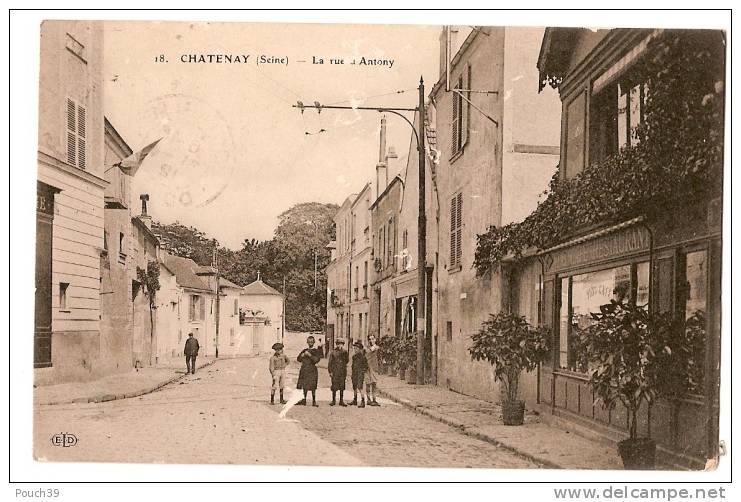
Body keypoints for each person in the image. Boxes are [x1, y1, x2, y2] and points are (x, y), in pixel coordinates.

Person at [296, 335, 322, 406]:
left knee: (313, 385)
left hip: (312, 370)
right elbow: (298, 359)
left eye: (311, 342)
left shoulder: (316, 351)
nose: (310, 343)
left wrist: (310, 355)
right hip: (304, 369)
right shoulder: (304, 350)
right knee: (304, 385)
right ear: (307, 342)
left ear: (314, 342)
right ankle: (303, 400)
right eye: (309, 342)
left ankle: (314, 401)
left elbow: (316, 360)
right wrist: (302, 355)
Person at [327, 338, 349, 406]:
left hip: (342, 372)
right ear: (336, 344)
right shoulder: (333, 352)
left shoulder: (345, 352)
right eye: (338, 344)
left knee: (342, 386)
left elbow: (347, 361)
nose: (340, 345)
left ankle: (341, 400)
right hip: (335, 371)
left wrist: (344, 354)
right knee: (334, 386)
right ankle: (333, 400)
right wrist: (330, 372)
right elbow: (330, 363)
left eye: (341, 344)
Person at [350, 340, 368, 408]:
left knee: (360, 387)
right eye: (354, 348)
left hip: (360, 373)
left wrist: (362, 372)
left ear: (360, 349)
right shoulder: (354, 357)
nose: (355, 350)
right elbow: (353, 365)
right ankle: (355, 400)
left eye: (357, 349)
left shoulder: (363, 357)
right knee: (354, 386)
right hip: (354, 373)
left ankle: (363, 401)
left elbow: (366, 366)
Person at [365, 334, 381, 406]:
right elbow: (367, 353)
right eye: (370, 339)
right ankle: (368, 399)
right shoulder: (366, 348)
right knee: (368, 384)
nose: (371, 341)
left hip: (374, 367)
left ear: (375, 339)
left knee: (374, 384)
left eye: (372, 339)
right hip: (367, 368)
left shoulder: (377, 348)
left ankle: (374, 399)